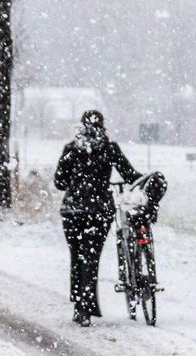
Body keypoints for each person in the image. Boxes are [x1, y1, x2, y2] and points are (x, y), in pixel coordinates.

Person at [54, 110, 142, 326]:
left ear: (81, 128)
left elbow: (59, 182)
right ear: (102, 127)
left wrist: (76, 179)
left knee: (77, 256)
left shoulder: (71, 149)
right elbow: (130, 175)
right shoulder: (110, 148)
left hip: (72, 211)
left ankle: (80, 305)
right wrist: (143, 179)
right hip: (98, 211)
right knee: (91, 258)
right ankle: (87, 305)